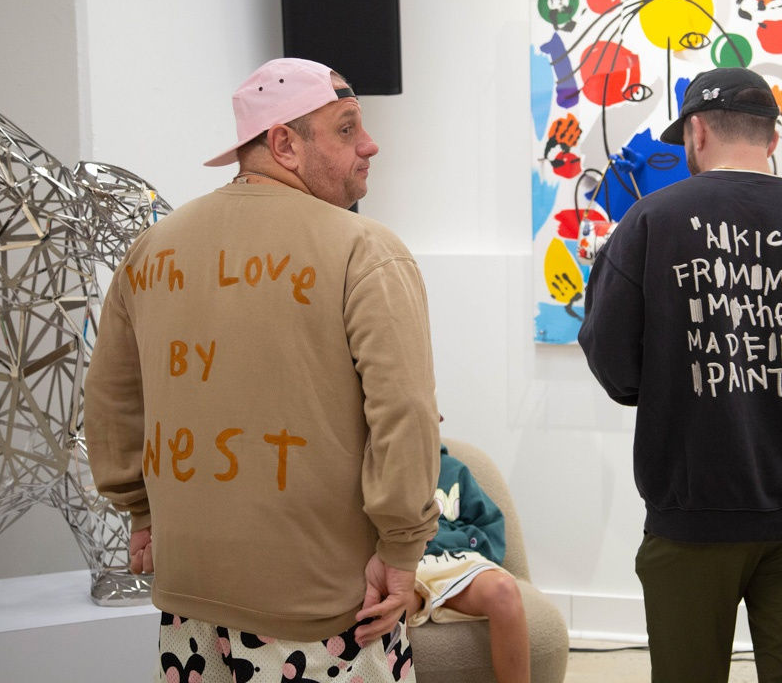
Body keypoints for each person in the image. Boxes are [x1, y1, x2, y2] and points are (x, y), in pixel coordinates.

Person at [84, 57, 442, 683]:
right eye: (345, 128)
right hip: (323, 615)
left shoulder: (152, 249)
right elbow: (404, 412)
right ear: (283, 143)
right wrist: (401, 548)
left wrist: (138, 511)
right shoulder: (366, 250)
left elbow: (111, 399)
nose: (370, 144)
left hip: (188, 599)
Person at [577, 67, 782, 683]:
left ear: (695, 133)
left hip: (691, 513)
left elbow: (617, 373)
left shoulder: (648, 225)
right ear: (773, 139)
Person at [403, 438, 530, 683]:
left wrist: (457, 540)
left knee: (504, 590)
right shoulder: (374, 469)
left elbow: (490, 525)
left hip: (457, 561)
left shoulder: (454, 469)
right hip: (406, 565)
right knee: (383, 609)